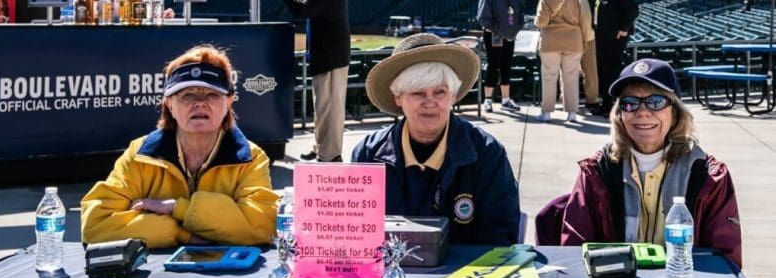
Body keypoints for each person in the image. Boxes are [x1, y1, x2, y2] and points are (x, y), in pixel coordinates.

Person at [538, 58, 742, 268]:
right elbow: (575, 253)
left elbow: (724, 261)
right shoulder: (596, 172)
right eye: (630, 103)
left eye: (656, 101)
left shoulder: (709, 177)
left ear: (675, 111)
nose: (643, 112)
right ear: (620, 115)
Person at [81, 44, 278, 248]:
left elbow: (262, 225)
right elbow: (95, 225)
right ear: (169, 104)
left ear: (228, 102)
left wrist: (177, 208)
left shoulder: (251, 158)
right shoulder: (139, 154)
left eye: (211, 94)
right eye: (187, 95)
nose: (200, 103)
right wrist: (180, 233)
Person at [351, 33, 521, 245]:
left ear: (452, 96)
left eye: (439, 92)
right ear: (398, 98)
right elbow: (355, 237)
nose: (429, 102)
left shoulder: (487, 153)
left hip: (463, 274)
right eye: (418, 92)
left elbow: (501, 238)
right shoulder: (367, 154)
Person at [284, 0, 350, 163]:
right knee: (322, 106)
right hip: (324, 56)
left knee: (331, 108)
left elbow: (303, 11)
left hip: (332, 57)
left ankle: (331, 154)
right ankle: (321, 146)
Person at [534, 0, 594, 122]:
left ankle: (546, 113)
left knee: (549, 77)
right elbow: (584, 21)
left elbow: (541, 22)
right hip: (573, 40)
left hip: (550, 42)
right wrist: (585, 41)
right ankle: (572, 113)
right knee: (571, 78)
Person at [476, 0, 525, 113]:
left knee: (506, 66)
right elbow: (483, 18)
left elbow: (520, 14)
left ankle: (506, 100)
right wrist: (500, 30)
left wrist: (515, 29)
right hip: (494, 35)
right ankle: (487, 100)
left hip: (509, 35)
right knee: (493, 66)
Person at [594, 0, 639, 115]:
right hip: (602, 37)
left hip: (615, 38)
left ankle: (616, 106)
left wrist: (624, 29)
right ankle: (606, 104)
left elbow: (633, 10)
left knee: (612, 70)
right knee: (602, 70)